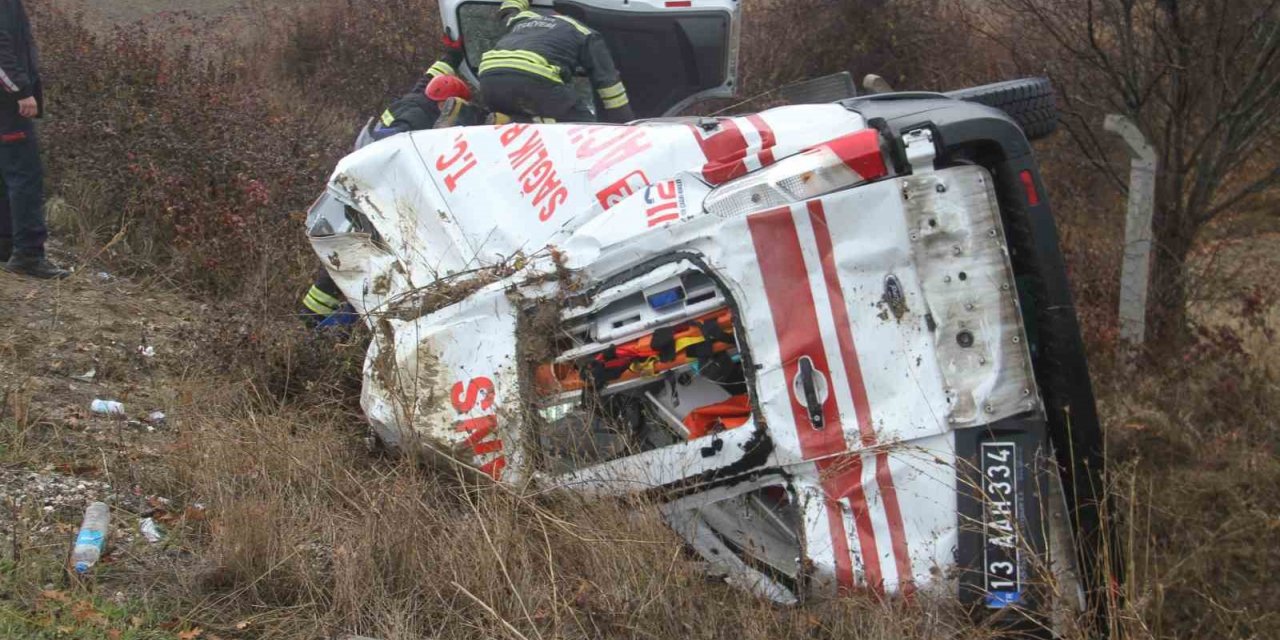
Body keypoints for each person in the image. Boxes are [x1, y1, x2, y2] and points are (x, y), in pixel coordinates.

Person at [478, 0, 634, 124]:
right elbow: (609, 86)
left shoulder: (523, 20)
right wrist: (625, 125)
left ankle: (469, 115)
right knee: (583, 125)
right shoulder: (586, 33)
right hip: (534, 76)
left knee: (498, 118)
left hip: (489, 76)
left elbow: (508, 11)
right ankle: (517, 122)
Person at [0, 0, 67, 279]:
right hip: (7, 105)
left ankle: (6, 245)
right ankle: (28, 253)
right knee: (25, 175)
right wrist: (21, 90)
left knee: (6, 174)